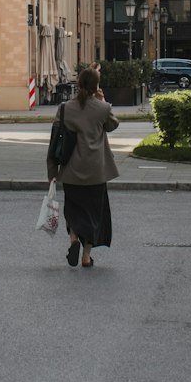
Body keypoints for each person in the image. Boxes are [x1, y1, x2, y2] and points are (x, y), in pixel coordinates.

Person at [47, 67, 118, 269]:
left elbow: (55, 141)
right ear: (96, 86)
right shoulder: (102, 108)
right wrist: (103, 100)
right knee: (94, 214)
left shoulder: (64, 109)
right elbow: (113, 125)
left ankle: (73, 240)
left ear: (78, 84)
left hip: (71, 170)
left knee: (74, 210)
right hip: (96, 170)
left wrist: (52, 172)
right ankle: (86, 257)